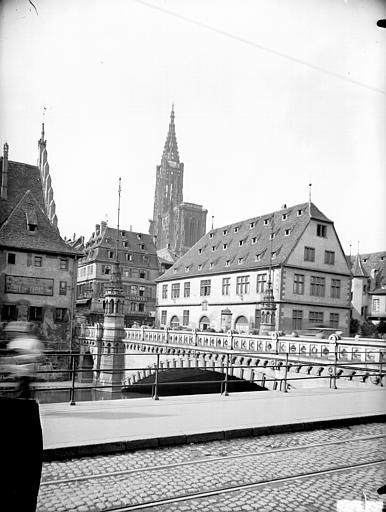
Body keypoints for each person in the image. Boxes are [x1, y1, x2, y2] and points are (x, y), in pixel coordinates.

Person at [4, 321, 43, 399]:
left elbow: (37, 355)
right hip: (20, 371)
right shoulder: (21, 341)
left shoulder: (31, 342)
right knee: (22, 391)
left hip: (24, 371)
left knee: (22, 391)